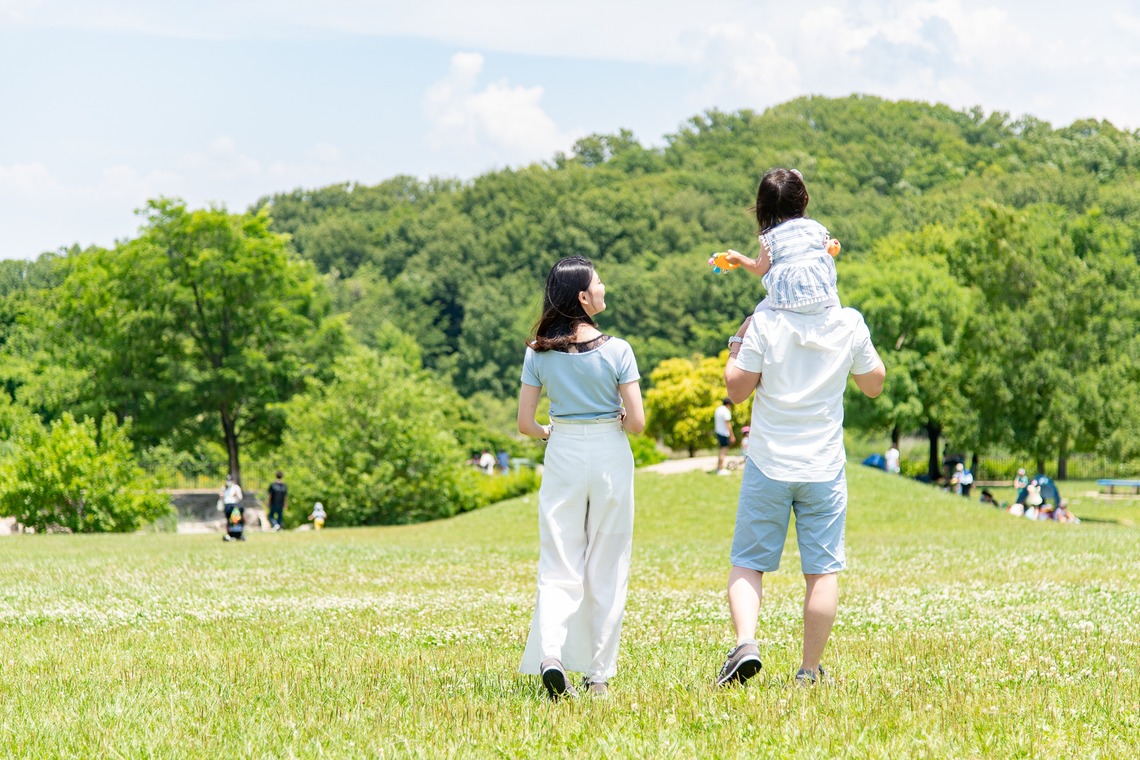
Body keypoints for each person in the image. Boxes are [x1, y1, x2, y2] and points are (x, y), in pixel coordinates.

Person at [715, 168, 886, 689]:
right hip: (823, 465)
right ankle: (809, 672)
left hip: (769, 459)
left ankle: (746, 642)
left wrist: (738, 342)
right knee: (822, 572)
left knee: (749, 561)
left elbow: (735, 389)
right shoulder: (848, 323)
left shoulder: (766, 322)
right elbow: (875, 384)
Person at [517, 256, 645, 701]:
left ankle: (550, 654)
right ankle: (598, 676)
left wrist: (552, 431)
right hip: (610, 452)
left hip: (563, 451)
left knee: (559, 561)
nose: (604, 286)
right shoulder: (618, 350)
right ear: (583, 297)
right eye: (598, 282)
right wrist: (620, 416)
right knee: (607, 563)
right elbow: (638, 424)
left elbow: (525, 424)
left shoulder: (538, 351)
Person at [717, 168, 841, 317]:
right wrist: (829, 247)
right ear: (805, 198)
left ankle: (735, 341)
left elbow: (760, 268)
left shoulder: (771, 237)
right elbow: (819, 255)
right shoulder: (817, 228)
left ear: (766, 208)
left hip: (787, 302)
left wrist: (738, 258)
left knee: (753, 318)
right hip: (823, 297)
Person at [714, 398, 736, 475]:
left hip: (718, 432)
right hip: (724, 433)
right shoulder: (726, 411)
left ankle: (718, 467)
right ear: (728, 404)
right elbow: (728, 424)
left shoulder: (718, 409)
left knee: (721, 450)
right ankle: (721, 469)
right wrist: (732, 435)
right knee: (724, 450)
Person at [221, 475, 244, 542]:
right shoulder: (224, 488)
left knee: (235, 520)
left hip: (235, 506)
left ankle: (237, 534)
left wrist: (236, 495)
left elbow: (240, 497)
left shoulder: (236, 487)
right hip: (227, 505)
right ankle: (230, 534)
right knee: (228, 521)